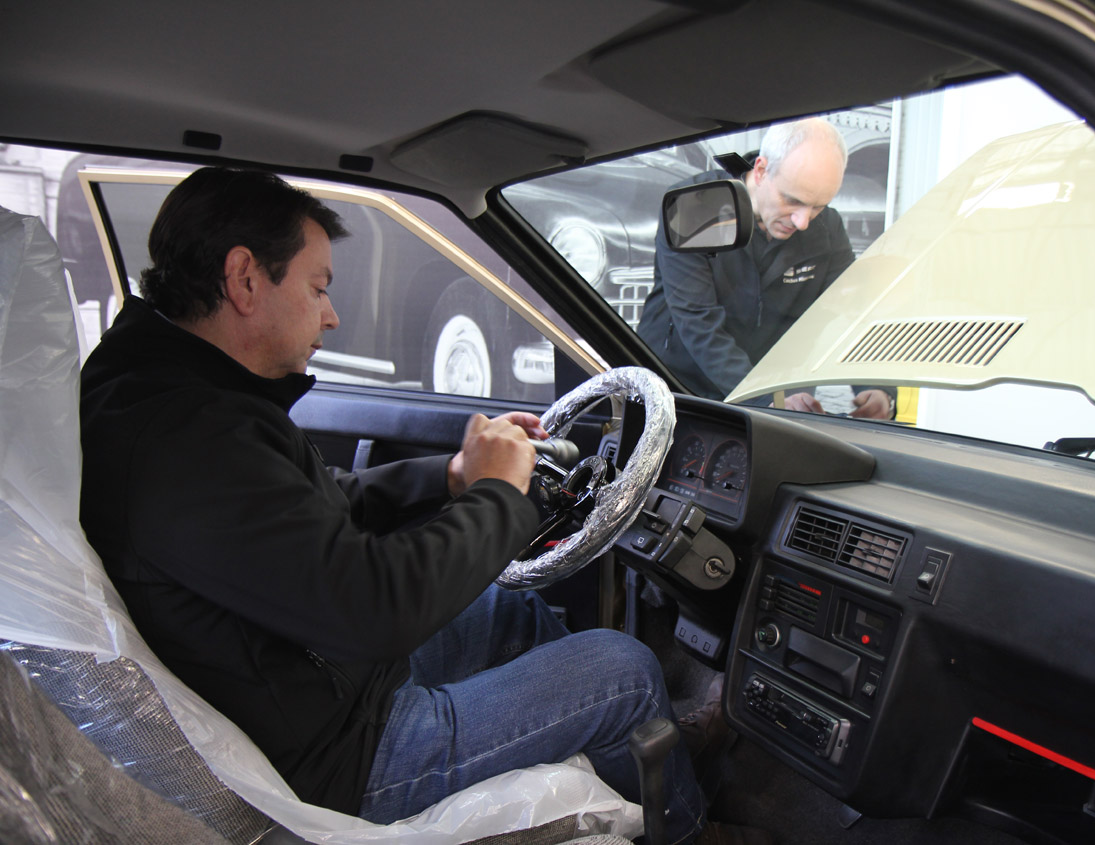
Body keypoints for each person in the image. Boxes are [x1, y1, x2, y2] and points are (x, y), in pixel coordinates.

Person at [77, 167, 764, 845]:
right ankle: (688, 827)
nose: (331, 313)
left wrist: (456, 474)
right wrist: (503, 495)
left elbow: (314, 507)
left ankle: (645, 746)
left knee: (505, 609)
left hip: (314, 685)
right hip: (342, 758)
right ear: (246, 278)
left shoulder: (169, 393)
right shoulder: (189, 438)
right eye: (318, 287)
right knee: (624, 670)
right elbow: (372, 611)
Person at [638, 118, 896, 420]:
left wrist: (879, 389)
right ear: (761, 170)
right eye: (793, 201)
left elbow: (853, 310)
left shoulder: (827, 229)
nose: (803, 221)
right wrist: (764, 401)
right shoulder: (696, 207)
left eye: (817, 206)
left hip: (770, 400)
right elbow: (698, 321)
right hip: (678, 390)